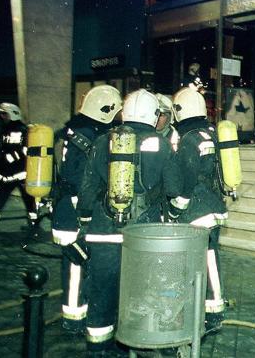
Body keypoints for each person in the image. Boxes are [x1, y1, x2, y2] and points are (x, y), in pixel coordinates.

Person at [77, 89, 180, 357]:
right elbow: (173, 187)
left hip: (103, 232)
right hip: (143, 236)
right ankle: (139, 342)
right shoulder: (162, 144)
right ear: (153, 114)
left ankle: (99, 348)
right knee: (143, 294)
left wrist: (87, 223)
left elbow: (87, 191)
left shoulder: (102, 141)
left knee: (101, 294)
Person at [51, 84, 122, 334]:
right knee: (75, 266)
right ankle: (73, 317)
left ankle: (76, 312)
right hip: (73, 211)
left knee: (76, 264)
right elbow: (84, 180)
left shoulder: (68, 131)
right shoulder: (91, 137)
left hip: (63, 207)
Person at [167, 86, 229, 331]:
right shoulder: (212, 132)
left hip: (197, 209)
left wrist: (177, 206)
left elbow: (187, 177)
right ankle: (207, 308)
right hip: (214, 205)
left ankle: (214, 312)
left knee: (207, 258)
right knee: (207, 257)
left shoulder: (190, 138)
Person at [0, 103, 38, 232]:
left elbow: (24, 149)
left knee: (26, 199)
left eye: (4, 114)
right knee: (3, 197)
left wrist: (8, 158)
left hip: (18, 172)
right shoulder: (7, 129)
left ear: (12, 114)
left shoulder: (19, 129)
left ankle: (34, 223)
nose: (2, 117)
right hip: (11, 172)